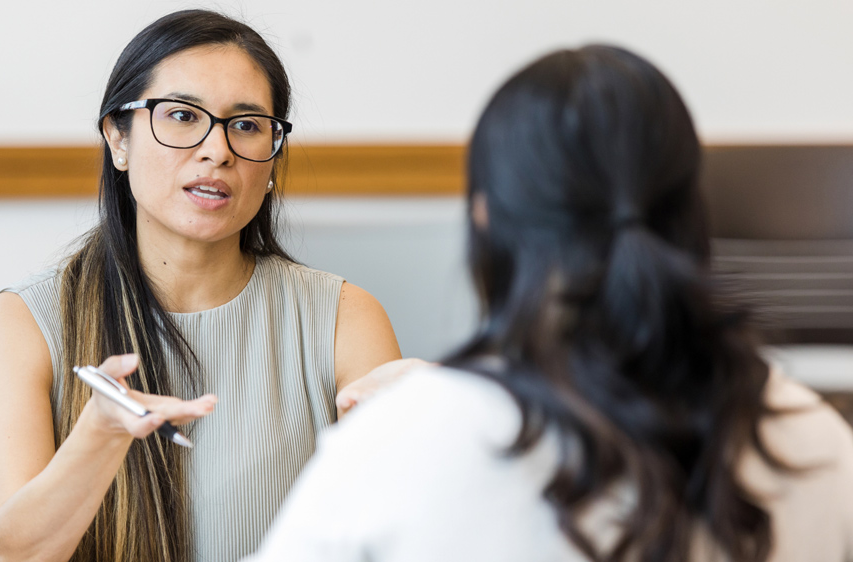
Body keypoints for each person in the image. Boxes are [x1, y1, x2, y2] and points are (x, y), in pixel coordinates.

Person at [244, 45, 853, 561]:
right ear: (692, 210)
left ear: (484, 217)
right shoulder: (815, 438)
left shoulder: (403, 442)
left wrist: (436, 402)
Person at [0, 10, 401, 562]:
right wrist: (100, 436)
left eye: (245, 125)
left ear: (272, 161)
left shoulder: (347, 316)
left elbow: (399, 534)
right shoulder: (21, 322)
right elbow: (14, 557)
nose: (217, 150)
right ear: (117, 139)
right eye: (181, 115)